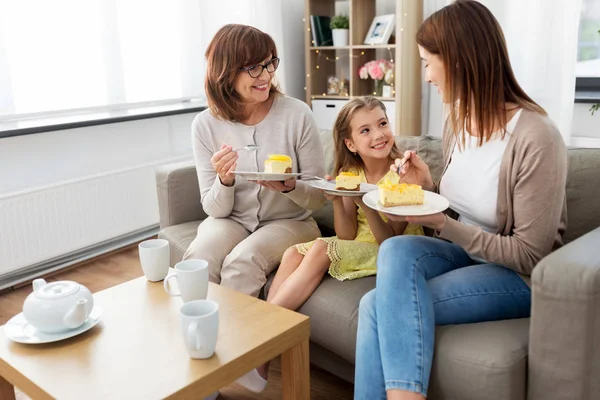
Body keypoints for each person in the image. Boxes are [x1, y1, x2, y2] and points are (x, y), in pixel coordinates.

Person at [353, 1, 568, 399]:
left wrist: (442, 223)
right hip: (466, 255)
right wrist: (428, 187)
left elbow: (531, 255)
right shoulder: (458, 120)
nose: (427, 75)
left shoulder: (536, 137)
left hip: (518, 276)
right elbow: (459, 212)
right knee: (397, 250)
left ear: (457, 60)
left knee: (376, 307)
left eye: (427, 62)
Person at [242, 97, 422, 390]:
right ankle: (263, 362)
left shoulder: (402, 173)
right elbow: (347, 235)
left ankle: (259, 342)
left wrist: (369, 202)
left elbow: (390, 240)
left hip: (396, 248)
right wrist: (340, 200)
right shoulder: (351, 174)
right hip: (362, 243)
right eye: (365, 130)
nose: (378, 134)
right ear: (350, 144)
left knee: (320, 247)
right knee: (291, 253)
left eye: (382, 124)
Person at [183, 25, 325, 303]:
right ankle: (197, 335)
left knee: (242, 262)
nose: (267, 75)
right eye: (254, 68)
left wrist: (290, 188)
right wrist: (224, 181)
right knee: (199, 257)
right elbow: (213, 209)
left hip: (291, 221)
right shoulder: (205, 124)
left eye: (270, 63)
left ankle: (241, 345)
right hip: (231, 220)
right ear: (226, 71)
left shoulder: (297, 114)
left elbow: (318, 197)